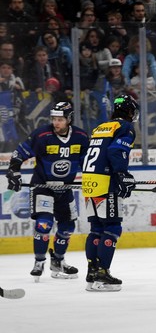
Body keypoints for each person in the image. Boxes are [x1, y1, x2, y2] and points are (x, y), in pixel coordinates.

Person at [5, 102, 89, 281]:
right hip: (43, 187)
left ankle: (58, 261)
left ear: (69, 119)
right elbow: (19, 154)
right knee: (44, 224)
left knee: (67, 227)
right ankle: (39, 261)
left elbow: (89, 162)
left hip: (65, 189)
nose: (56, 123)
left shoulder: (81, 136)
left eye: (60, 119)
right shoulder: (42, 135)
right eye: (54, 119)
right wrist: (14, 172)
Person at [82, 94, 139, 292]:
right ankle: (102, 273)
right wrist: (122, 174)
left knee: (96, 227)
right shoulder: (125, 127)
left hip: (89, 180)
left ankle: (92, 271)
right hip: (106, 182)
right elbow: (116, 151)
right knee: (113, 227)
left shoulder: (101, 127)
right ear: (130, 111)